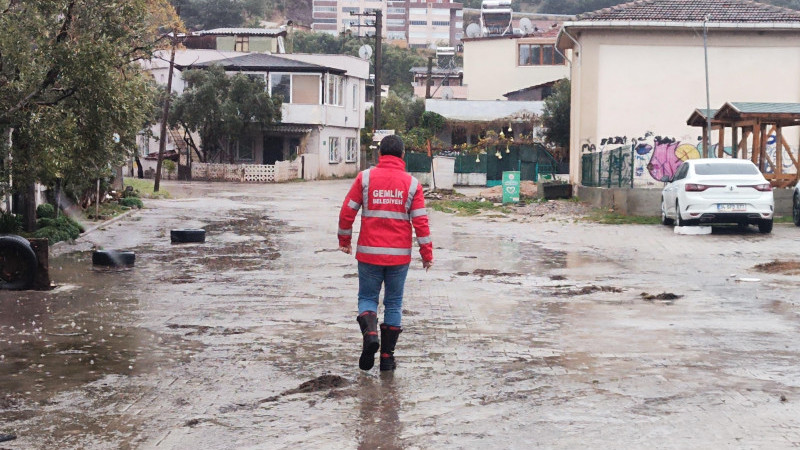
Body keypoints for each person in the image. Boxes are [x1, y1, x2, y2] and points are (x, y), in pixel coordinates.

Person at [338, 135, 433, 372]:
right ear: (402, 155)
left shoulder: (365, 178)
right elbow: (421, 222)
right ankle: (387, 358)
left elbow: (347, 211)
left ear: (380, 154)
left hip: (369, 253)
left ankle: (370, 334)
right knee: (393, 303)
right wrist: (426, 253)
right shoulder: (412, 184)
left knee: (368, 298)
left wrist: (344, 239)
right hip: (399, 257)